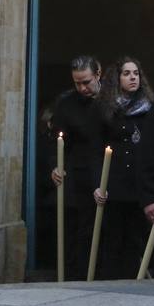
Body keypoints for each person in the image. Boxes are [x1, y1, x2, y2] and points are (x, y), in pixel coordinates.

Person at [91, 57, 154, 279]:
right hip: (114, 183)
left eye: (136, 73)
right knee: (113, 239)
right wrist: (97, 185)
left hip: (139, 185)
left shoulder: (150, 109)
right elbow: (96, 150)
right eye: (127, 73)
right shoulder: (106, 110)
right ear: (117, 78)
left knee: (136, 239)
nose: (133, 77)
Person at [49, 56, 108, 281]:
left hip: (107, 172)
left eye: (86, 82)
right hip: (78, 175)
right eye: (77, 83)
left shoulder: (111, 100)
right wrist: (56, 165)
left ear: (98, 74)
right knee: (76, 232)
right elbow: (58, 140)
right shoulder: (67, 103)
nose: (82, 88)